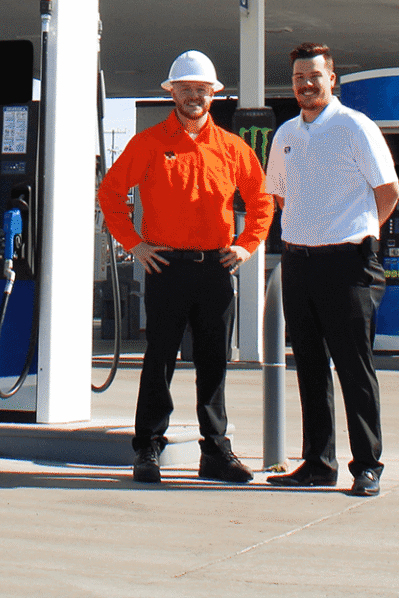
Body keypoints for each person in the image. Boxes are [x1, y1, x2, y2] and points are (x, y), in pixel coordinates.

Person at [98, 50, 273, 485]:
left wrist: (247, 245)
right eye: (186, 88)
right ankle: (148, 450)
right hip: (166, 268)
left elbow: (262, 200)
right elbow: (110, 194)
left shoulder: (233, 148)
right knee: (158, 362)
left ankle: (215, 451)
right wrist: (136, 246)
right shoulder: (149, 143)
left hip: (215, 269)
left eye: (202, 89)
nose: (194, 96)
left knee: (214, 364)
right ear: (171, 92)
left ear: (213, 95)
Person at [264, 41, 399, 497]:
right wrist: (311, 230)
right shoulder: (285, 135)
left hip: (349, 262)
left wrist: (358, 230)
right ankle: (318, 462)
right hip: (300, 261)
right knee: (309, 368)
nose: (306, 84)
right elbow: (280, 196)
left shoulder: (354, 127)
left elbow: (388, 191)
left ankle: (367, 465)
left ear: (332, 79)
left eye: (315, 76)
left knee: (354, 367)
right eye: (299, 77)